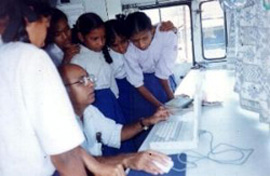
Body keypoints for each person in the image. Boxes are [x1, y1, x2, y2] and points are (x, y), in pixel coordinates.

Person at [0, 1, 124, 175]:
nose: (45, 38)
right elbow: (63, 153)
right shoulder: (31, 57)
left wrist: (96, 166)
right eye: (47, 25)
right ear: (30, 17)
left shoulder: (5, 56)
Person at [59, 63, 172, 175]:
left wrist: (147, 121)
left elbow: (116, 133)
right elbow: (80, 163)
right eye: (81, 81)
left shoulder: (89, 111)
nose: (91, 84)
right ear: (61, 90)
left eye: (89, 78)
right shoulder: (58, 123)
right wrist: (127, 159)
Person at [71, 12, 136, 155]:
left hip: (111, 99)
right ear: (81, 37)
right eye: (95, 38)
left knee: (120, 137)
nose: (101, 42)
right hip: (95, 102)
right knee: (107, 142)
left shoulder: (103, 52)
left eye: (103, 37)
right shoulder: (77, 59)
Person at [104, 17, 177, 124]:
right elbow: (137, 83)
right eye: (115, 45)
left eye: (123, 42)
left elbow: (148, 30)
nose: (121, 48)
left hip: (148, 82)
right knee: (140, 118)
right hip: (128, 88)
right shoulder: (121, 54)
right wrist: (162, 106)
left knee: (163, 116)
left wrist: (171, 28)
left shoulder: (150, 36)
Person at [123, 12, 178, 147]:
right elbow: (138, 83)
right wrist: (160, 105)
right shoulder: (128, 49)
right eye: (135, 40)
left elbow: (163, 73)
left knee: (171, 119)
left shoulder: (166, 35)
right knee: (147, 125)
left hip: (164, 81)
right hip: (143, 88)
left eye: (144, 38)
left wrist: (172, 101)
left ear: (152, 30)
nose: (141, 45)